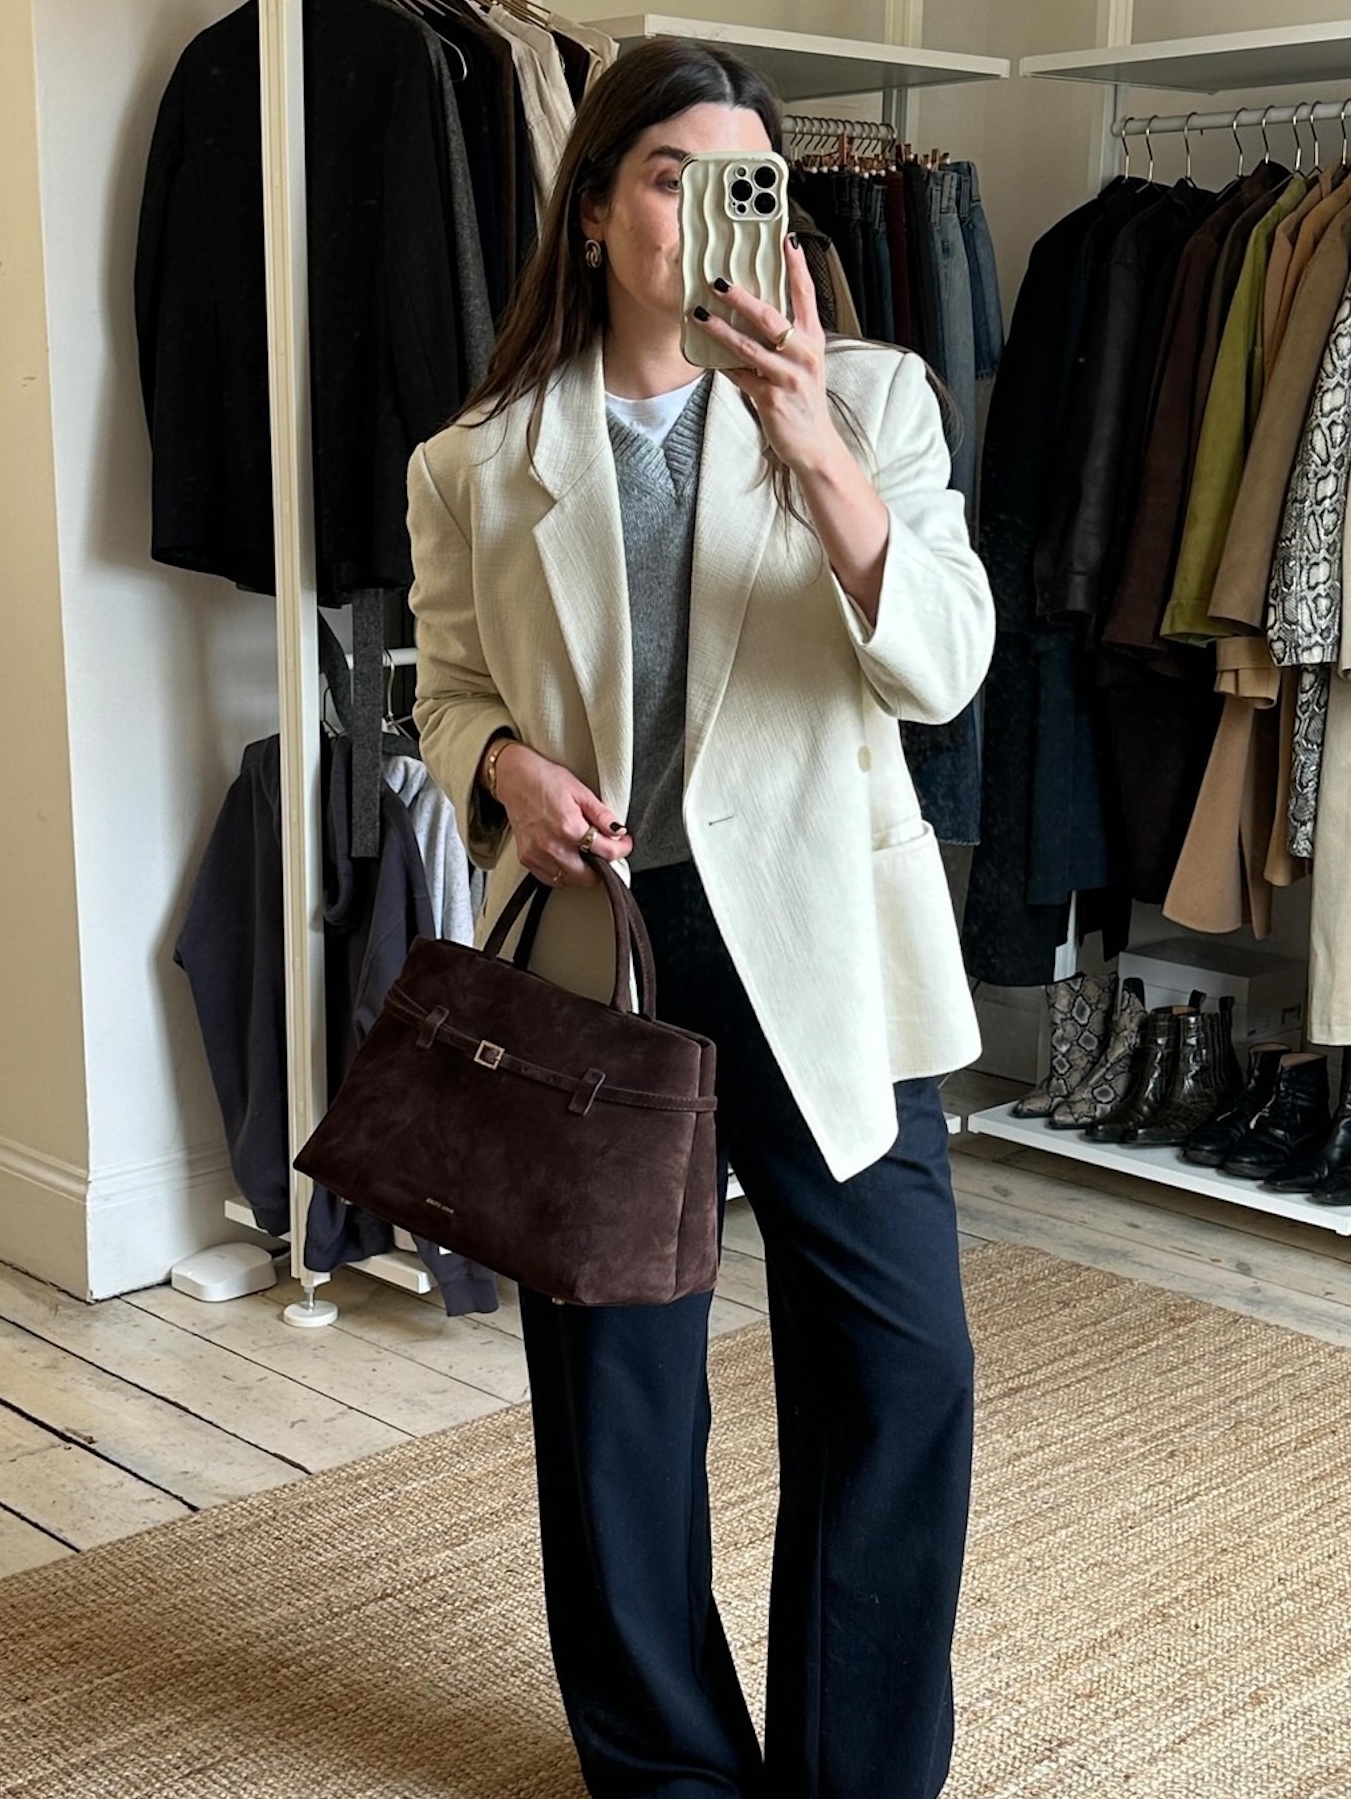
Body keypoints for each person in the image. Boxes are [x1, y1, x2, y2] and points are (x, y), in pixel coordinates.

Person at [407, 37, 995, 1799]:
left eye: (746, 178)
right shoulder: (478, 459)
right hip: (609, 956)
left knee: (902, 1373)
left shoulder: (872, 397)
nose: (710, 210)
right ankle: (669, 1775)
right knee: (620, 1413)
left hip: (823, 946)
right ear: (594, 214)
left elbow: (945, 666)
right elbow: (440, 688)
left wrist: (808, 441)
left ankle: (858, 1775)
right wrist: (501, 763)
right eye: (670, 174)